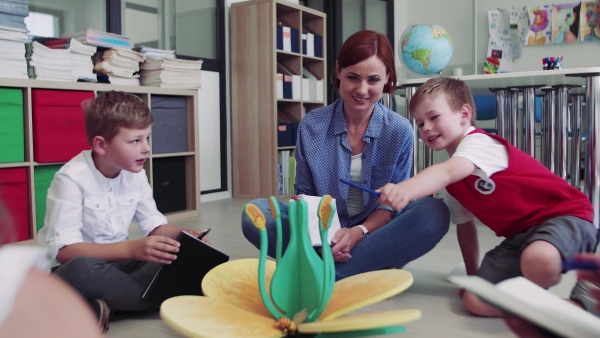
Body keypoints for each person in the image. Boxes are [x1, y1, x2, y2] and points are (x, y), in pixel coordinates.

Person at [377, 77, 598, 317]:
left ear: (464, 113)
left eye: (433, 117)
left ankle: (587, 286)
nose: (426, 128)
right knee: (474, 300)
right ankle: (569, 310)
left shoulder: (478, 143)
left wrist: (405, 190)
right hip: (519, 239)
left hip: (565, 217)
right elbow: (466, 229)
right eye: (419, 124)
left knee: (539, 260)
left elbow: (446, 171)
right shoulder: (454, 185)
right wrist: (474, 277)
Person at [241, 30, 450, 281]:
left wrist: (358, 232)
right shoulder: (312, 126)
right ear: (338, 71)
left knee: (433, 213)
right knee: (255, 213)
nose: (362, 90)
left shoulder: (399, 130)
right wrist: (321, 235)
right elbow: (306, 196)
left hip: (372, 232)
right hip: (320, 231)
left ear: (387, 79)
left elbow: (389, 207)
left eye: (373, 80)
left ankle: (325, 270)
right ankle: (350, 267)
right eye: (352, 77)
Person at [37, 91, 209, 332]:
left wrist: (185, 235)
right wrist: (132, 248)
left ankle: (105, 305)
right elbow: (66, 252)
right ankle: (160, 298)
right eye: (135, 141)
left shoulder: (135, 172)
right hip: (73, 269)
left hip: (119, 263)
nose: (146, 148)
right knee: (83, 270)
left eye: (147, 138)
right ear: (101, 145)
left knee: (180, 254)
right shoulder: (70, 179)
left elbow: (154, 225)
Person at [0, 202, 101, 338]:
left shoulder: (17, 279)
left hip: (107, 263)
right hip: (74, 266)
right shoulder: (16, 280)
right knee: (81, 268)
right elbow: (66, 252)